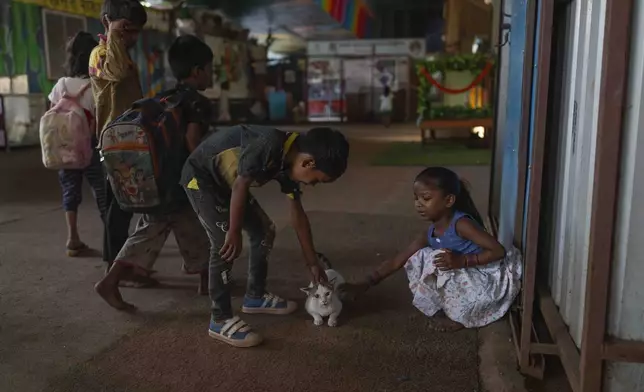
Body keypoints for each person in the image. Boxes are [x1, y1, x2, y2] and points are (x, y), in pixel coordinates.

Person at [181, 125, 349, 347]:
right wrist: (234, 230)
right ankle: (219, 318)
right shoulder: (269, 143)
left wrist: (313, 263)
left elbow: (298, 215)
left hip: (227, 184)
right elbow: (242, 183)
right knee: (223, 242)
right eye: (317, 180)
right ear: (308, 163)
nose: (313, 184)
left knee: (264, 229)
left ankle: (255, 296)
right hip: (201, 178)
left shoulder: (290, 162)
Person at [94, 35, 215, 310]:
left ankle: (206, 281)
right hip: (181, 182)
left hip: (155, 180)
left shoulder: (164, 97)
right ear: (198, 71)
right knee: (200, 222)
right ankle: (111, 281)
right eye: (211, 69)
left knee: (169, 228)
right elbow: (193, 143)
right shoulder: (197, 103)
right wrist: (208, 178)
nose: (212, 74)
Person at [340, 167, 521, 331]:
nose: (418, 204)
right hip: (464, 274)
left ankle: (464, 316)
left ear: (449, 200)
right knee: (420, 257)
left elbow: (498, 251)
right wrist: (364, 284)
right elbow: (398, 260)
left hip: (486, 276)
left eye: (426, 198)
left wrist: (463, 261)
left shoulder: (462, 224)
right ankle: (452, 307)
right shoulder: (430, 233)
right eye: (416, 198)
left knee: (438, 259)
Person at [89, 0, 147, 279]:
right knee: (118, 210)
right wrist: (113, 33)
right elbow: (118, 73)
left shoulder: (121, 53)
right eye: (127, 30)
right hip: (113, 144)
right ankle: (114, 268)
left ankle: (120, 265)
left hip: (130, 141)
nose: (132, 38)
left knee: (126, 206)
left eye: (136, 32)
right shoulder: (100, 54)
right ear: (107, 23)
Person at [48, 32, 107, 256]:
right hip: (90, 146)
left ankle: (72, 237)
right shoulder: (94, 88)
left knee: (69, 190)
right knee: (102, 192)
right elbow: (99, 121)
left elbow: (52, 113)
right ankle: (111, 239)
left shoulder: (60, 85)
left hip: (65, 146)